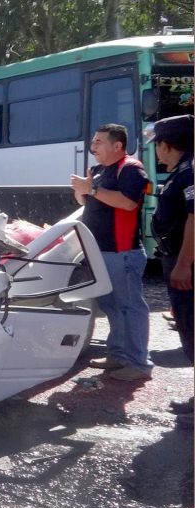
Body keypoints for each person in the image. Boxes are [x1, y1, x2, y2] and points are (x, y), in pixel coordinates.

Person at [70, 123, 154, 381]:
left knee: (130, 307)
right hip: (100, 252)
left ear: (117, 145)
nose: (92, 146)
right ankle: (118, 355)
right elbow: (86, 201)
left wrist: (91, 189)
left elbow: (128, 203)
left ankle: (139, 364)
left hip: (122, 253)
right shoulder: (98, 170)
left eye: (98, 142)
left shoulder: (131, 169)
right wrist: (82, 191)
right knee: (111, 306)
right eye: (93, 141)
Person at [148, 114, 194, 363]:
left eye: (156, 144)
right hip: (175, 257)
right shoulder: (181, 172)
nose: (156, 151)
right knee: (186, 323)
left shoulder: (189, 173)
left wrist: (184, 265)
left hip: (185, 263)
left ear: (165, 145)